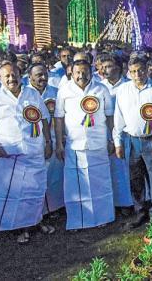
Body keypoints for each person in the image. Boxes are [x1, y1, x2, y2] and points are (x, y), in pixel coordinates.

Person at [0, 63, 52, 243]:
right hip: (8, 152)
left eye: (14, 75)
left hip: (34, 148)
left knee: (35, 189)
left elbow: (43, 119)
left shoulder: (32, 93)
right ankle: (16, 228)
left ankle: (35, 222)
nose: (11, 79)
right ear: (0, 78)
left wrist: (48, 142)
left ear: (21, 75)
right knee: (11, 192)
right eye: (7, 76)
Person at [54, 59, 115, 230]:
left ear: (91, 72)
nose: (81, 75)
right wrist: (59, 143)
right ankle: (78, 221)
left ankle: (103, 218)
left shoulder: (101, 89)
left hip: (98, 143)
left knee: (100, 183)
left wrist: (111, 139)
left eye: (84, 72)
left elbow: (109, 116)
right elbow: (58, 118)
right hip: (74, 145)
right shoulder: (64, 90)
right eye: (77, 72)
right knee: (76, 184)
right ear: (71, 73)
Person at [113, 57, 152, 228]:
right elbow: (119, 117)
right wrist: (118, 142)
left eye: (140, 70)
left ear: (146, 69)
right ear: (128, 72)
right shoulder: (123, 90)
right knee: (135, 178)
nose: (137, 74)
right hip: (132, 140)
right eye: (133, 71)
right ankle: (140, 212)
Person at [27, 64, 64, 224]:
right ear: (30, 78)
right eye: (39, 75)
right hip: (33, 143)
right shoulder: (25, 95)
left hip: (54, 140)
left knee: (54, 176)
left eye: (45, 74)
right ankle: (37, 211)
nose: (43, 78)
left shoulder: (55, 93)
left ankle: (54, 208)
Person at [100, 54, 133, 212]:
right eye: (103, 67)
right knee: (111, 169)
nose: (104, 70)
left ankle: (128, 202)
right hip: (106, 133)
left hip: (125, 132)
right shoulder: (99, 86)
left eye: (108, 67)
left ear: (119, 69)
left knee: (125, 169)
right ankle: (113, 203)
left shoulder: (128, 86)